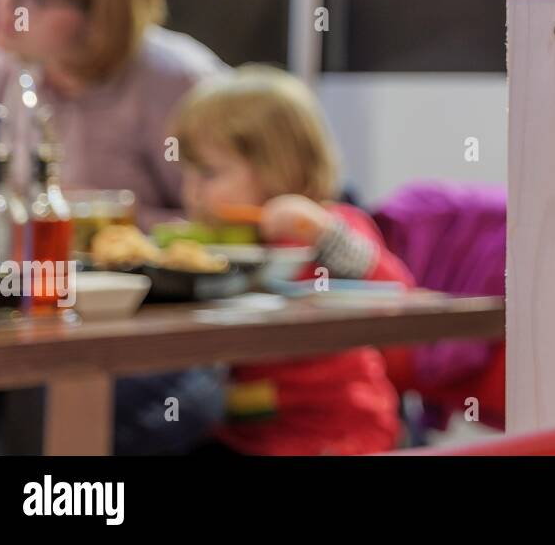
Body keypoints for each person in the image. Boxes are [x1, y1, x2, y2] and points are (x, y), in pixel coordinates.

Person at [172, 65, 414, 455]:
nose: (192, 192)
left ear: (275, 168)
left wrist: (321, 233)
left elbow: (399, 291)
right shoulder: (219, 245)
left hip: (338, 433)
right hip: (244, 433)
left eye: (208, 173)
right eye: (185, 172)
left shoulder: (326, 227)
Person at [0, 0, 224, 226]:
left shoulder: (180, 83)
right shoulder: (8, 65)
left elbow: (227, 227)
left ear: (101, 13)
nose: (4, 2)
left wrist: (106, 215)